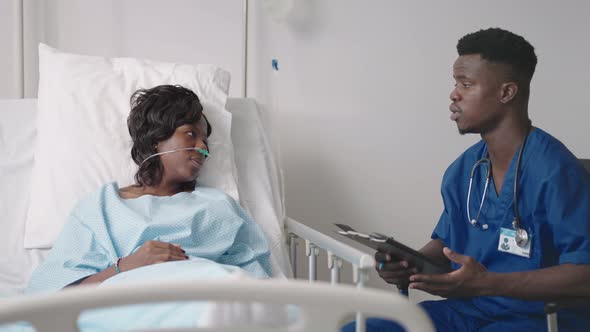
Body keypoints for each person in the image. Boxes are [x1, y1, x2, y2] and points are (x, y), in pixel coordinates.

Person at [344, 28, 590, 332]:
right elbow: (447, 246)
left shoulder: (556, 172)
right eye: (455, 83)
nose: (453, 94)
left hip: (539, 319)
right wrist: (408, 264)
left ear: (506, 93)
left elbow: (585, 275)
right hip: (469, 312)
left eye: (466, 84)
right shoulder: (463, 170)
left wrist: (489, 284)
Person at [27, 84, 272, 294]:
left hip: (209, 299)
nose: (203, 147)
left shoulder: (219, 206)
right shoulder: (100, 209)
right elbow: (55, 296)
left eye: (205, 141)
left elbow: (256, 280)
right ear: (156, 138)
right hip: (133, 304)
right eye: (191, 134)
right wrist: (127, 266)